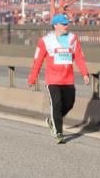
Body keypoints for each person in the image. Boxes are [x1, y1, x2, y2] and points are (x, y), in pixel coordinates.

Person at [26, 13, 90, 144]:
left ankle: (52, 121)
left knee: (69, 104)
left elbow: (79, 57)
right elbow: (37, 61)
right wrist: (32, 79)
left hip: (68, 79)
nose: (67, 26)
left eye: (67, 24)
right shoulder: (45, 41)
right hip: (52, 80)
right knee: (56, 105)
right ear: (55, 25)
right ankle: (59, 133)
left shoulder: (73, 39)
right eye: (64, 24)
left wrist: (85, 74)